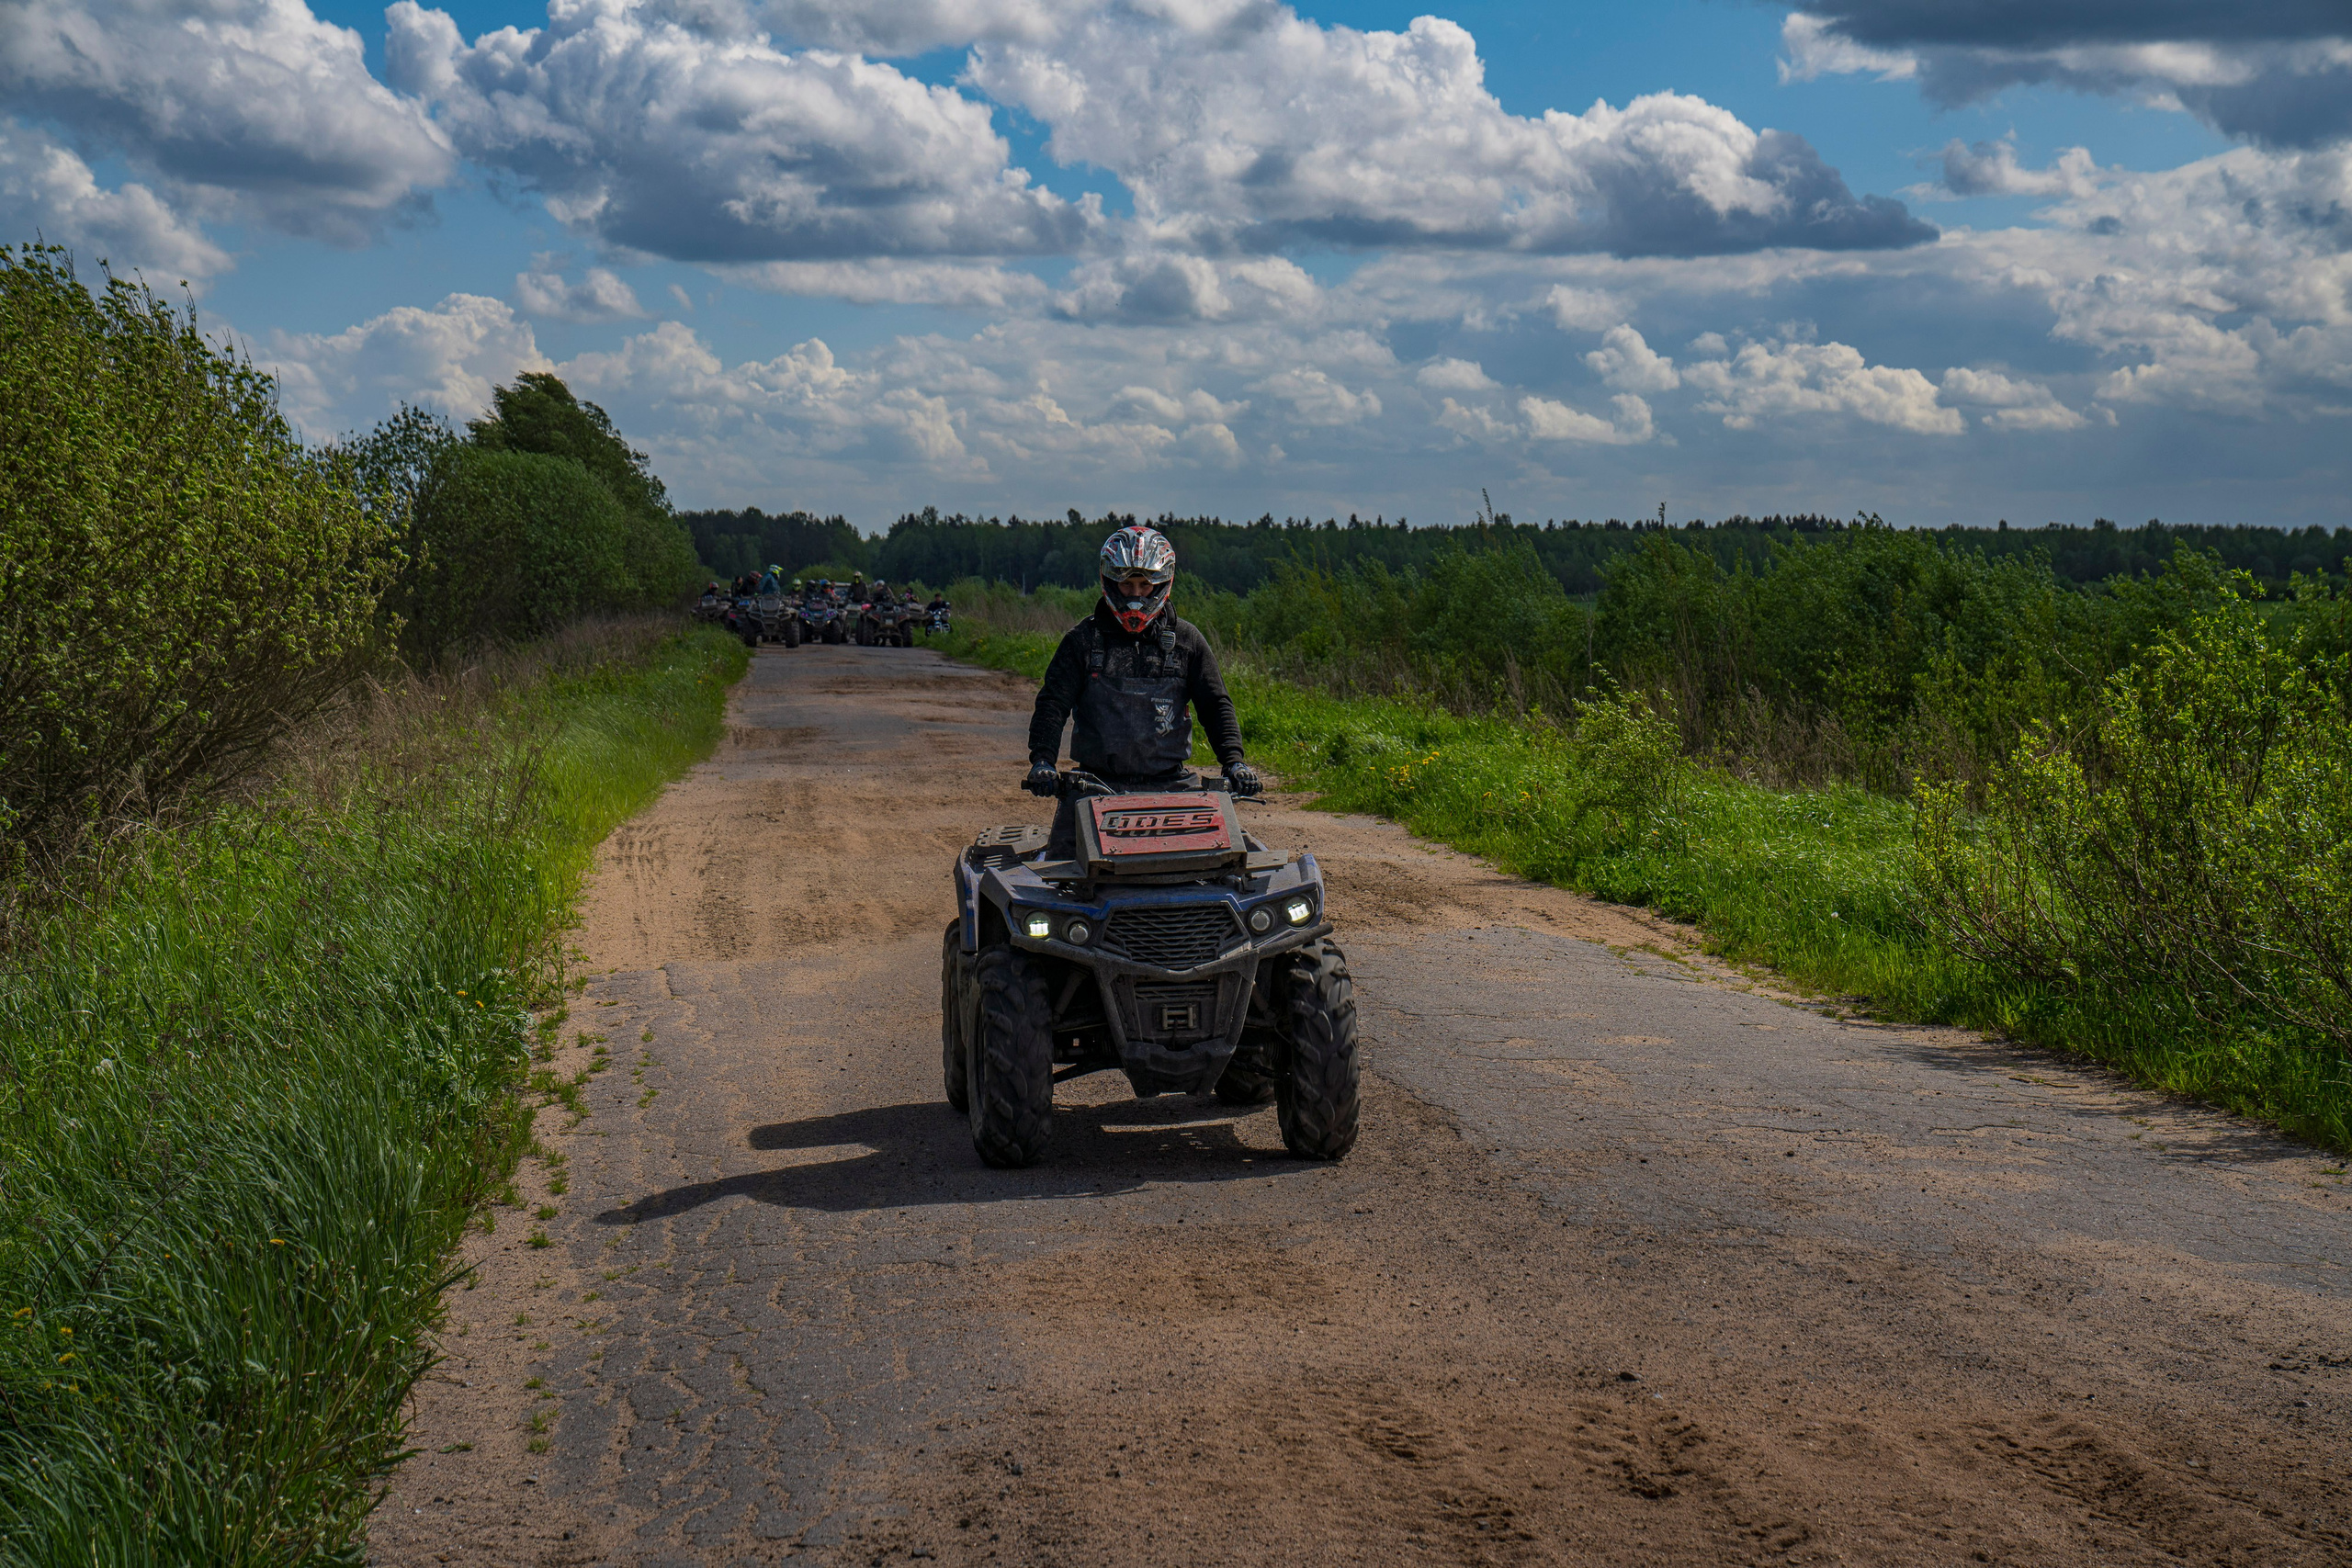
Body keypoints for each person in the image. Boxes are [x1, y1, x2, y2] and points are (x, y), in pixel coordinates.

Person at [1025, 524, 1260, 857]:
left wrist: (1234, 763)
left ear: (1161, 584)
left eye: (1144, 585)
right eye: (1127, 583)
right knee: (1060, 869)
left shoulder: (1186, 641)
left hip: (1172, 785)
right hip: (1094, 785)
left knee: (1231, 859)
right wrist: (1043, 762)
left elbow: (1215, 705)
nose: (1135, 594)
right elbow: (1052, 704)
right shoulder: (1082, 641)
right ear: (1111, 582)